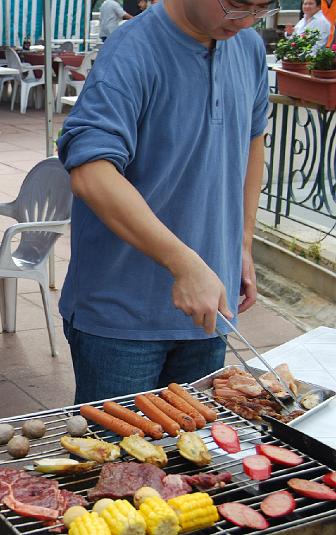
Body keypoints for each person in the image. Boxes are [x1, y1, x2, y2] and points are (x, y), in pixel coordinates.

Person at [57, 0, 274, 404]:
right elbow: (91, 172)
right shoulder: (131, 50)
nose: (245, 21)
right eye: (235, 5)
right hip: (122, 318)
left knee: (198, 443)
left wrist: (242, 243)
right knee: (119, 446)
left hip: (210, 309)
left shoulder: (248, 47)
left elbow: (253, 137)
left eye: (261, 8)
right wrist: (184, 264)